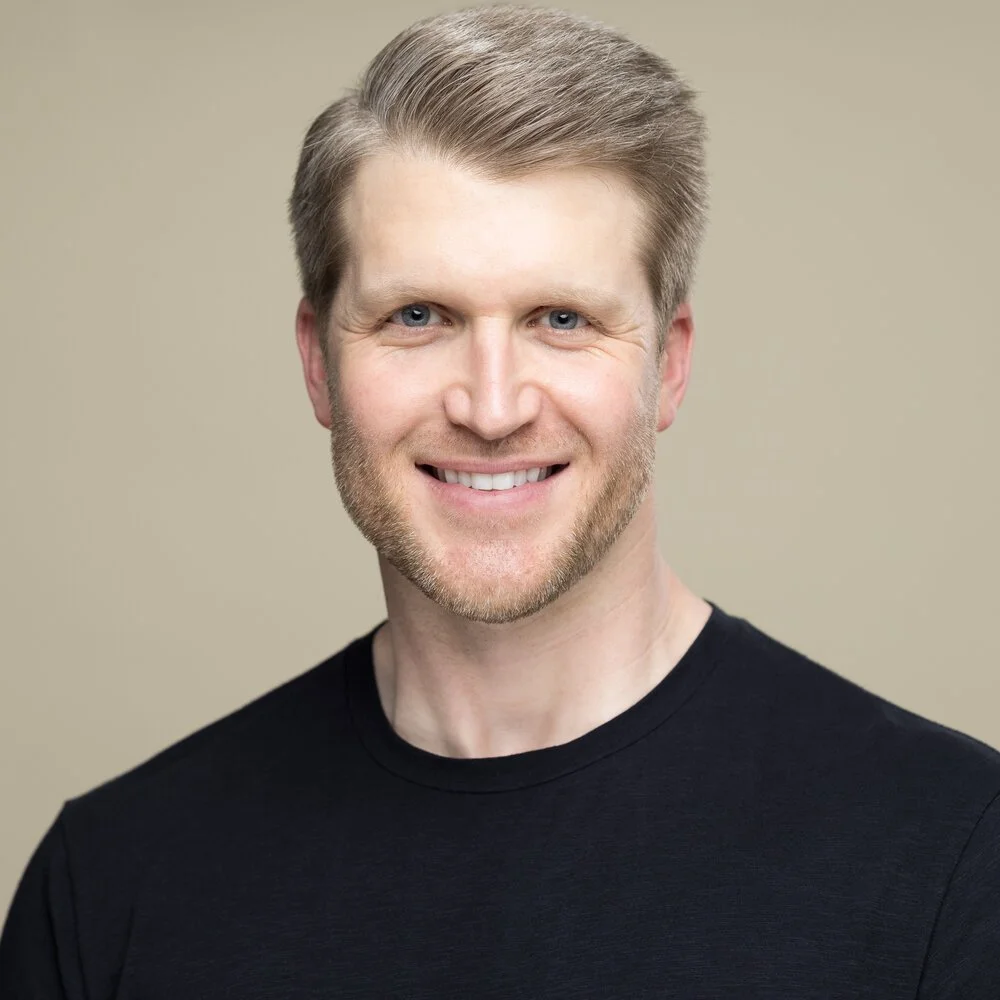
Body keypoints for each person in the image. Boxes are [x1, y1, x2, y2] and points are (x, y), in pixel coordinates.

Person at [2, 4, 998, 997]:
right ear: (317, 364)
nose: (490, 408)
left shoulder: (957, 855)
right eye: (417, 316)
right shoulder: (109, 885)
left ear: (668, 366)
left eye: (560, 319)